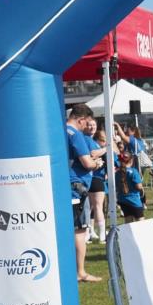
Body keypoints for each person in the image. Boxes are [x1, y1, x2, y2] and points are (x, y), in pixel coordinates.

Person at [67, 104, 105, 282]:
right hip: (76, 188)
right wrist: (97, 164)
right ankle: (80, 272)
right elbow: (87, 163)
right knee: (80, 231)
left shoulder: (61, 130)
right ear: (81, 119)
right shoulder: (76, 135)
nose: (86, 127)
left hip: (66, 185)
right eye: (86, 123)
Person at [86, 120, 107, 243]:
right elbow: (93, 154)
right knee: (97, 207)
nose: (92, 127)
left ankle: (90, 232)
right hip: (95, 178)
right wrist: (105, 148)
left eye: (94, 125)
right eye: (90, 125)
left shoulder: (91, 140)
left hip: (92, 178)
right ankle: (101, 235)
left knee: (90, 208)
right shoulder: (89, 141)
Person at [114, 151, 145, 223]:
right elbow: (138, 186)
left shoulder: (117, 172)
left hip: (122, 200)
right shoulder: (133, 171)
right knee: (141, 222)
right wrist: (141, 188)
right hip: (134, 200)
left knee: (128, 222)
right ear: (131, 160)